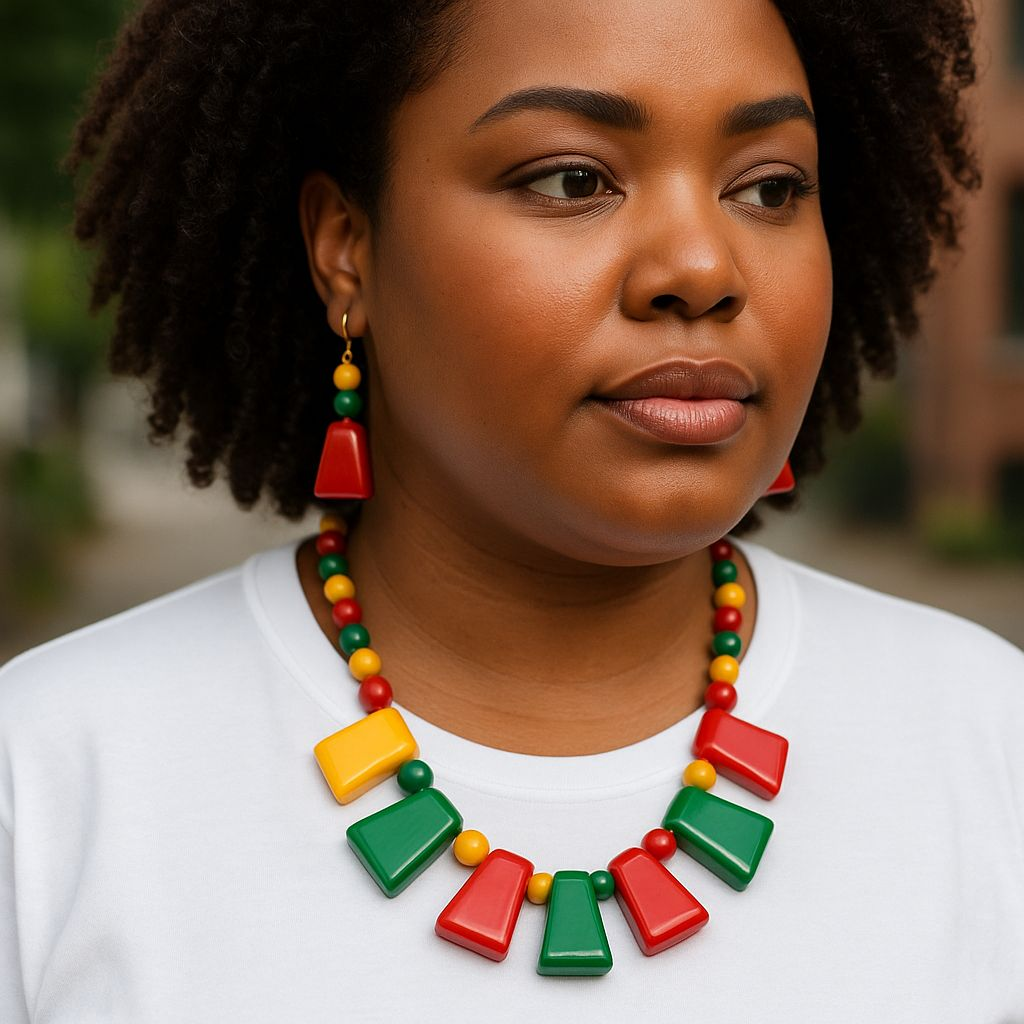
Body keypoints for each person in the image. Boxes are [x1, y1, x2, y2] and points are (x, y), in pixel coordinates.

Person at [2, 0, 1022, 1019]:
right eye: (573, 179)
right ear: (346, 249)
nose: (703, 269)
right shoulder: (48, 784)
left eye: (768, 187)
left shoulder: (987, 738)